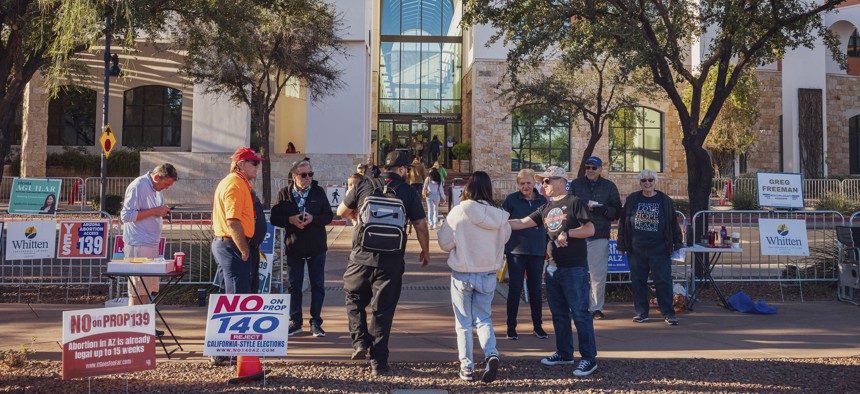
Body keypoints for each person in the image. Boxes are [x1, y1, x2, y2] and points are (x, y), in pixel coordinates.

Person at [337, 151, 431, 376]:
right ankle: (379, 363)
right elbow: (419, 224)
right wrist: (425, 250)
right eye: (406, 169)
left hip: (360, 257)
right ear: (401, 170)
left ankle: (360, 341)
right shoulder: (407, 191)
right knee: (383, 311)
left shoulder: (364, 184)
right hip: (391, 261)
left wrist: (357, 218)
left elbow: (341, 211)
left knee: (354, 300)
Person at [507, 166, 598, 377]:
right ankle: (565, 353)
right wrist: (492, 221)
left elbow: (590, 229)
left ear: (561, 181)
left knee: (580, 314)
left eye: (547, 181)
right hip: (554, 268)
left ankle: (588, 358)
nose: (543, 185)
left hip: (574, 268)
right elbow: (521, 223)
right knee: (558, 315)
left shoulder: (574, 202)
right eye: (543, 181)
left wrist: (568, 232)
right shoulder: (545, 207)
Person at [437, 171, 511, 382]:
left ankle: (466, 367)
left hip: (462, 273)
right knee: (484, 318)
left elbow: (444, 243)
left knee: (463, 323)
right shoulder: (499, 215)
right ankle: (491, 353)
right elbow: (505, 238)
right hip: (487, 273)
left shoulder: (458, 211)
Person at [271, 160, 333, 337]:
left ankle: (316, 323)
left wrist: (313, 218)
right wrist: (290, 220)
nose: (308, 179)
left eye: (310, 175)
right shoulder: (284, 193)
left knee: (317, 285)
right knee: (294, 285)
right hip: (294, 246)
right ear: (294, 176)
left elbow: (328, 216)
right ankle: (295, 322)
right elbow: (275, 217)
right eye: (304, 175)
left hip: (317, 246)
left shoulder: (318, 192)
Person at [617, 169, 683, 326]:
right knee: (638, 281)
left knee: (663, 281)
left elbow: (673, 223)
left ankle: (668, 312)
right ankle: (641, 312)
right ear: (640, 183)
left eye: (650, 180)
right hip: (636, 249)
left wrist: (678, 243)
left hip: (659, 249)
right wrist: (621, 244)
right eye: (644, 180)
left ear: (655, 182)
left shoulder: (664, 200)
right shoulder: (633, 199)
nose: (647, 183)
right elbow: (623, 223)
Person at [569, 157, 622, 320]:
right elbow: (568, 206)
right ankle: (577, 306)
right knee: (577, 274)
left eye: (593, 168)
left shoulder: (609, 186)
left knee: (597, 275)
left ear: (600, 169)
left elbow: (617, 211)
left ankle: (596, 307)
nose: (590, 170)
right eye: (587, 167)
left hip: (599, 235)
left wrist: (604, 210)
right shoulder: (576, 184)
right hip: (578, 235)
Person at [120, 163, 178, 306]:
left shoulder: (156, 188)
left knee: (146, 289)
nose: (167, 188)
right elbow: (126, 216)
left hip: (150, 243)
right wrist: (155, 211)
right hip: (138, 244)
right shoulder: (139, 186)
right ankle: (136, 326)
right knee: (138, 290)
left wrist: (162, 211)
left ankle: (145, 324)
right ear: (157, 177)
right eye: (166, 184)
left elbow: (153, 210)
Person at [502, 169, 548, 340]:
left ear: (534, 183)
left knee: (535, 289)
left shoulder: (542, 200)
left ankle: (538, 326)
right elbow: (502, 222)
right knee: (515, 289)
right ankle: (511, 327)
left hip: (536, 251)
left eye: (528, 183)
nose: (526, 187)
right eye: (522, 184)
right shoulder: (511, 200)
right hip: (516, 251)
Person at [212, 148, 264, 295]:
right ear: (241, 164)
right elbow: (233, 221)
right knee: (238, 295)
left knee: (234, 292)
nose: (257, 167)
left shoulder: (238, 183)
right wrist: (244, 249)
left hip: (230, 243)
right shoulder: (235, 184)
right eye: (254, 163)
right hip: (232, 244)